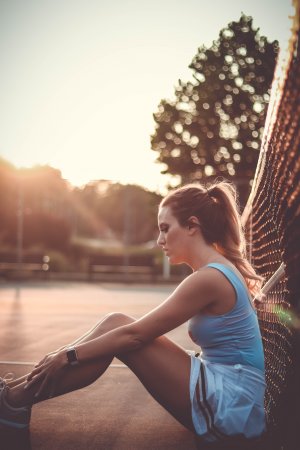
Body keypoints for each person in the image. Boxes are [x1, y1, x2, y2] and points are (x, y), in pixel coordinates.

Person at [0, 180, 266, 444]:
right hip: (230, 390)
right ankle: (13, 397)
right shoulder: (216, 270)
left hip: (232, 406)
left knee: (122, 333)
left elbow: (136, 336)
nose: (160, 239)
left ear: (191, 225)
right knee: (116, 323)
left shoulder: (209, 278)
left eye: (165, 228)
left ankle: (14, 401)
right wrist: (66, 356)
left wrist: (68, 356)